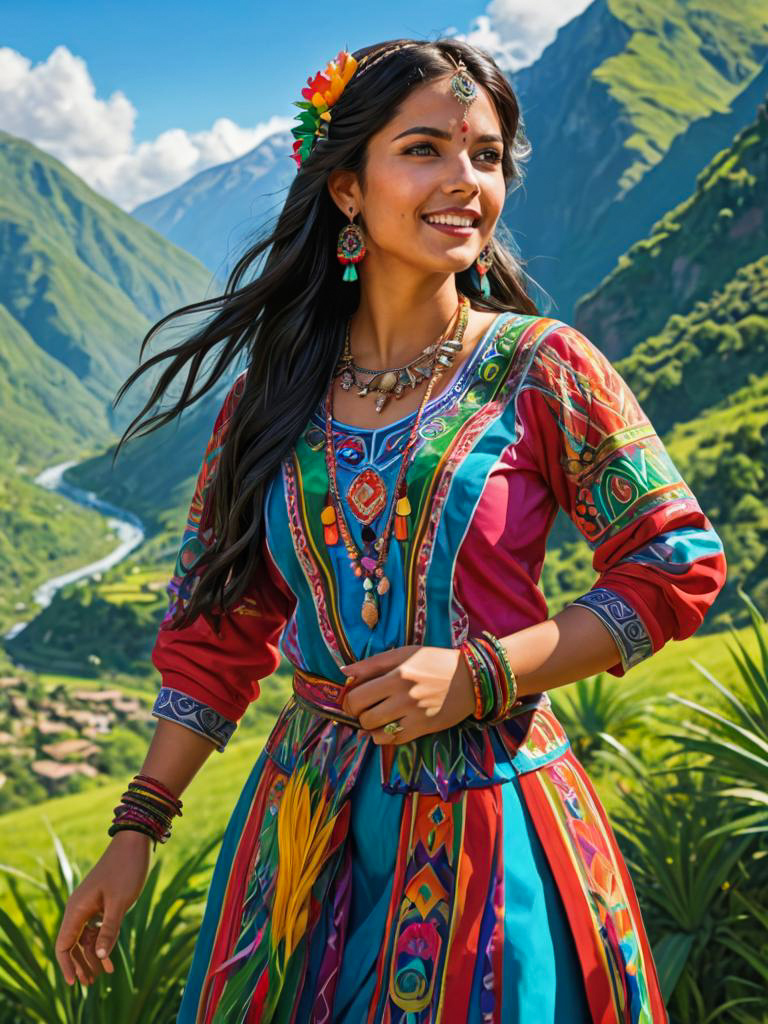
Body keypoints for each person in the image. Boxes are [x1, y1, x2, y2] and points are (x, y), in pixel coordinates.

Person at [54, 37, 727, 1023]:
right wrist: (137, 824)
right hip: (304, 837)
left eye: (488, 155)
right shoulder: (268, 403)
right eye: (425, 149)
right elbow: (216, 629)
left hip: (496, 825)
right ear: (346, 189)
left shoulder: (543, 369)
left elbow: (674, 564)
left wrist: (480, 675)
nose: (466, 182)